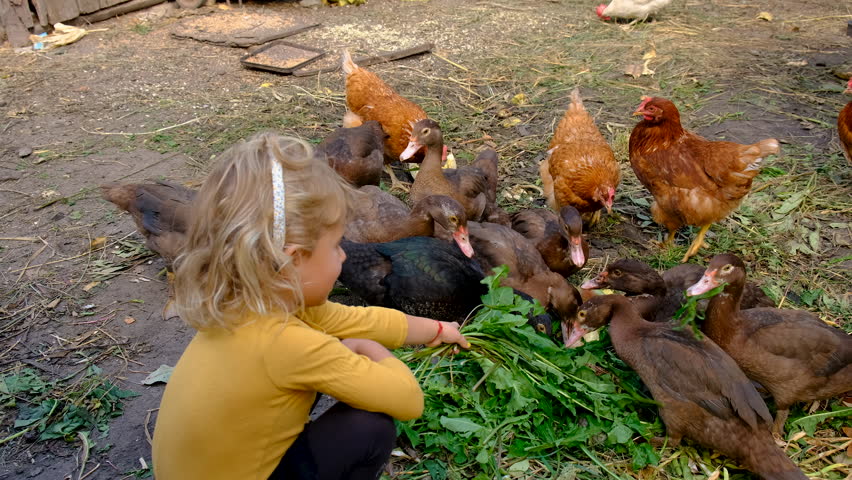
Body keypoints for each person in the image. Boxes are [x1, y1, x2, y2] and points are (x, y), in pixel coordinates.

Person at [151, 132, 469, 480]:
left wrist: (438, 329)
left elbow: (357, 319)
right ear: (292, 261)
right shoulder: (292, 345)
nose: (344, 254)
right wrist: (370, 351)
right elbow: (408, 400)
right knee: (368, 429)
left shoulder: (254, 303)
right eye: (335, 246)